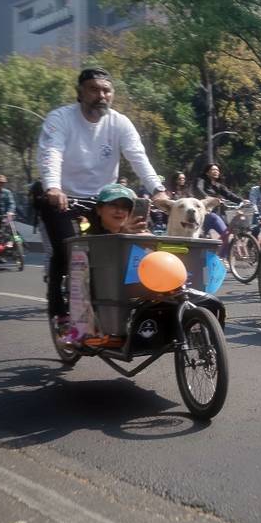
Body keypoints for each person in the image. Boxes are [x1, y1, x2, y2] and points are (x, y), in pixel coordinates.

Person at [37, 67, 167, 336]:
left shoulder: (119, 122)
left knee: (115, 251)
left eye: (106, 90)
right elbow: (52, 152)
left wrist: (158, 189)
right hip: (62, 197)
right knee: (66, 253)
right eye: (94, 89)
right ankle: (60, 313)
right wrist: (53, 186)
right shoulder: (60, 118)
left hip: (103, 198)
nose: (101, 95)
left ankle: (115, 306)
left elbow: (138, 156)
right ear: (80, 92)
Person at [193, 163, 243, 256]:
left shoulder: (219, 185)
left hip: (216, 214)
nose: (216, 171)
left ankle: (223, 258)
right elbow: (198, 189)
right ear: (207, 172)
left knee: (225, 234)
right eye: (213, 169)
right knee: (201, 239)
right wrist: (207, 197)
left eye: (217, 170)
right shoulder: (201, 181)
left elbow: (229, 195)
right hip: (204, 214)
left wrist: (242, 201)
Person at [86, 183, 150, 235]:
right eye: (113, 205)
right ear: (99, 210)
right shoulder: (86, 241)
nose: (119, 211)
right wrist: (123, 237)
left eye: (125, 207)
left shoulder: (139, 236)